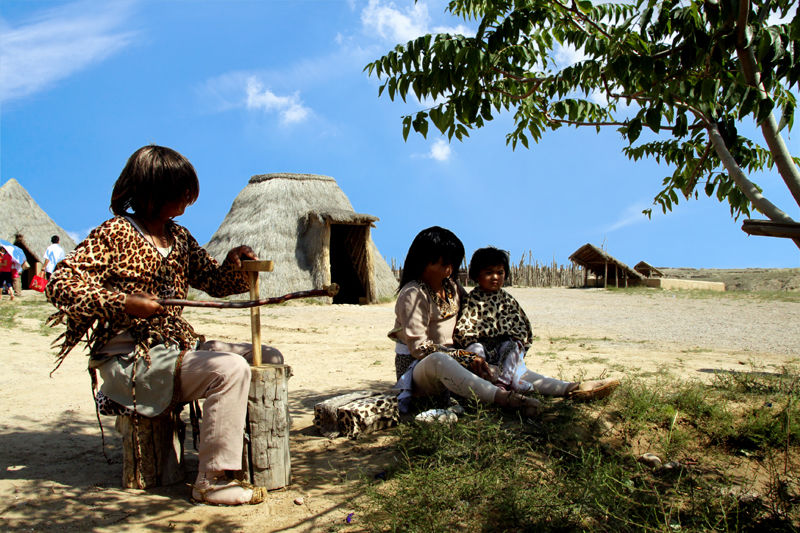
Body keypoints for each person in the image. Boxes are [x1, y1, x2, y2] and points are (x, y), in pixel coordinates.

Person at [46, 145, 282, 506]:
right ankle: (214, 479)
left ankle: (257, 461)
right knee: (230, 369)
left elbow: (217, 283)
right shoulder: (114, 234)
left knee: (267, 356)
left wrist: (235, 263)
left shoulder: (180, 238)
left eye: (190, 191)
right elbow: (61, 284)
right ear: (151, 191)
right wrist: (124, 302)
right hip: (131, 359)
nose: (188, 199)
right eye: (180, 191)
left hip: (175, 349)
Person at [389, 226, 541, 417]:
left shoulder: (452, 287)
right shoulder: (413, 294)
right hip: (420, 369)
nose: (449, 268)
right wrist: (465, 357)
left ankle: (567, 388)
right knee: (439, 360)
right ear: (425, 261)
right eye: (444, 262)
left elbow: (473, 313)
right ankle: (504, 399)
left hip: (459, 359)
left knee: (503, 365)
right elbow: (419, 348)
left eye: (452, 262)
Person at [454, 247, 619, 401]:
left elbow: (521, 326)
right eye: (489, 272)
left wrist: (517, 342)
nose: (495, 277)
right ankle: (486, 383)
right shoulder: (472, 299)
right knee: (475, 351)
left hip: (504, 350)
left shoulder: (507, 300)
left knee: (511, 349)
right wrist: (473, 345)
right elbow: (465, 327)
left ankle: (503, 385)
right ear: (476, 275)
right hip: (482, 350)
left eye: (500, 272)